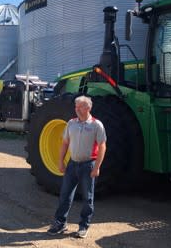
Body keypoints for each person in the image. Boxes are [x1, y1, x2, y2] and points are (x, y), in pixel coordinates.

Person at [47, 95, 106, 238]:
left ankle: (83, 227)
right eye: (76, 107)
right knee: (65, 195)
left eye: (80, 107)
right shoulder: (71, 123)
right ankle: (60, 224)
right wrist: (61, 161)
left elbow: (102, 146)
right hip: (72, 165)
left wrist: (97, 167)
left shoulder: (96, 125)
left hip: (88, 165)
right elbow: (65, 144)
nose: (76, 109)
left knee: (88, 198)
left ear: (88, 108)